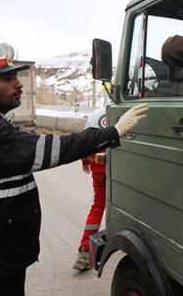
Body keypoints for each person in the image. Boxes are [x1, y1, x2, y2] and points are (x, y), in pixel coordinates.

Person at [0, 42, 148, 295]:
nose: (18, 84)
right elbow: (52, 149)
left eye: (16, 77)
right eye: (7, 79)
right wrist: (112, 132)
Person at [72, 106, 108, 271]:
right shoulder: (125, 111)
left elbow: (85, 141)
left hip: (98, 166)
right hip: (120, 165)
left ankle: (84, 252)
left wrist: (85, 162)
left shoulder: (94, 115)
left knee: (97, 207)